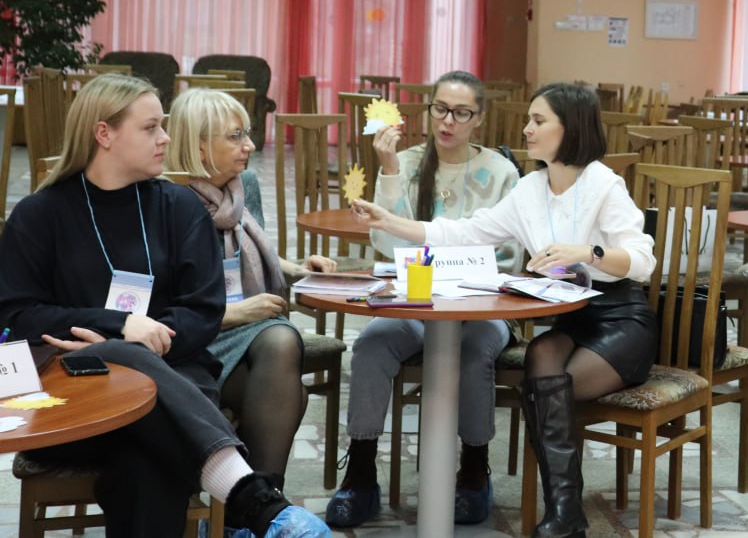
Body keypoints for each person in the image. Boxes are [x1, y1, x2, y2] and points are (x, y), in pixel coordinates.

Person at [0, 73, 328, 538]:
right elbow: (15, 318)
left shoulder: (178, 207)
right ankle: (255, 502)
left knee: (145, 462)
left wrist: (122, 344)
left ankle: (253, 504)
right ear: (104, 134)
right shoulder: (40, 214)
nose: (166, 139)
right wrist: (120, 327)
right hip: (72, 401)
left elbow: (203, 311)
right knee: (127, 369)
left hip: (173, 385)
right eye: (151, 127)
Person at [352, 82, 658, 538]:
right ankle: (566, 514)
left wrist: (588, 252)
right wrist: (390, 221)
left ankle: (563, 513)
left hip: (622, 319)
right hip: (573, 316)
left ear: (570, 128)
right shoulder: (531, 188)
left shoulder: (603, 184)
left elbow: (643, 261)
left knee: (550, 389)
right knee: (541, 360)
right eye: (529, 119)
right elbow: (465, 232)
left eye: (538, 121)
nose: (526, 129)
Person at [324, 71, 520, 527]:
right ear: (429, 110)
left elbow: (509, 256)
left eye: (461, 113)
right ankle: (360, 474)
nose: (448, 121)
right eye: (440, 109)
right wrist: (389, 170)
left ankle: (474, 472)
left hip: (482, 307)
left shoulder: (501, 173)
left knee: (474, 351)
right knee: (372, 344)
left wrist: (451, 265)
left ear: (479, 118)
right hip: (416, 302)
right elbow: (386, 244)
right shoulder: (409, 162)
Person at [165, 88, 337, 492]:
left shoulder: (244, 185)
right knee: (286, 370)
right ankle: (261, 504)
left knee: (279, 350)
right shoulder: (169, 200)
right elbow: (162, 309)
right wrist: (235, 313)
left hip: (249, 330)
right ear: (199, 145)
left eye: (247, 133)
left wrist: (297, 269)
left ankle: (252, 505)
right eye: (235, 136)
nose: (250, 146)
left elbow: (250, 251)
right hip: (195, 341)